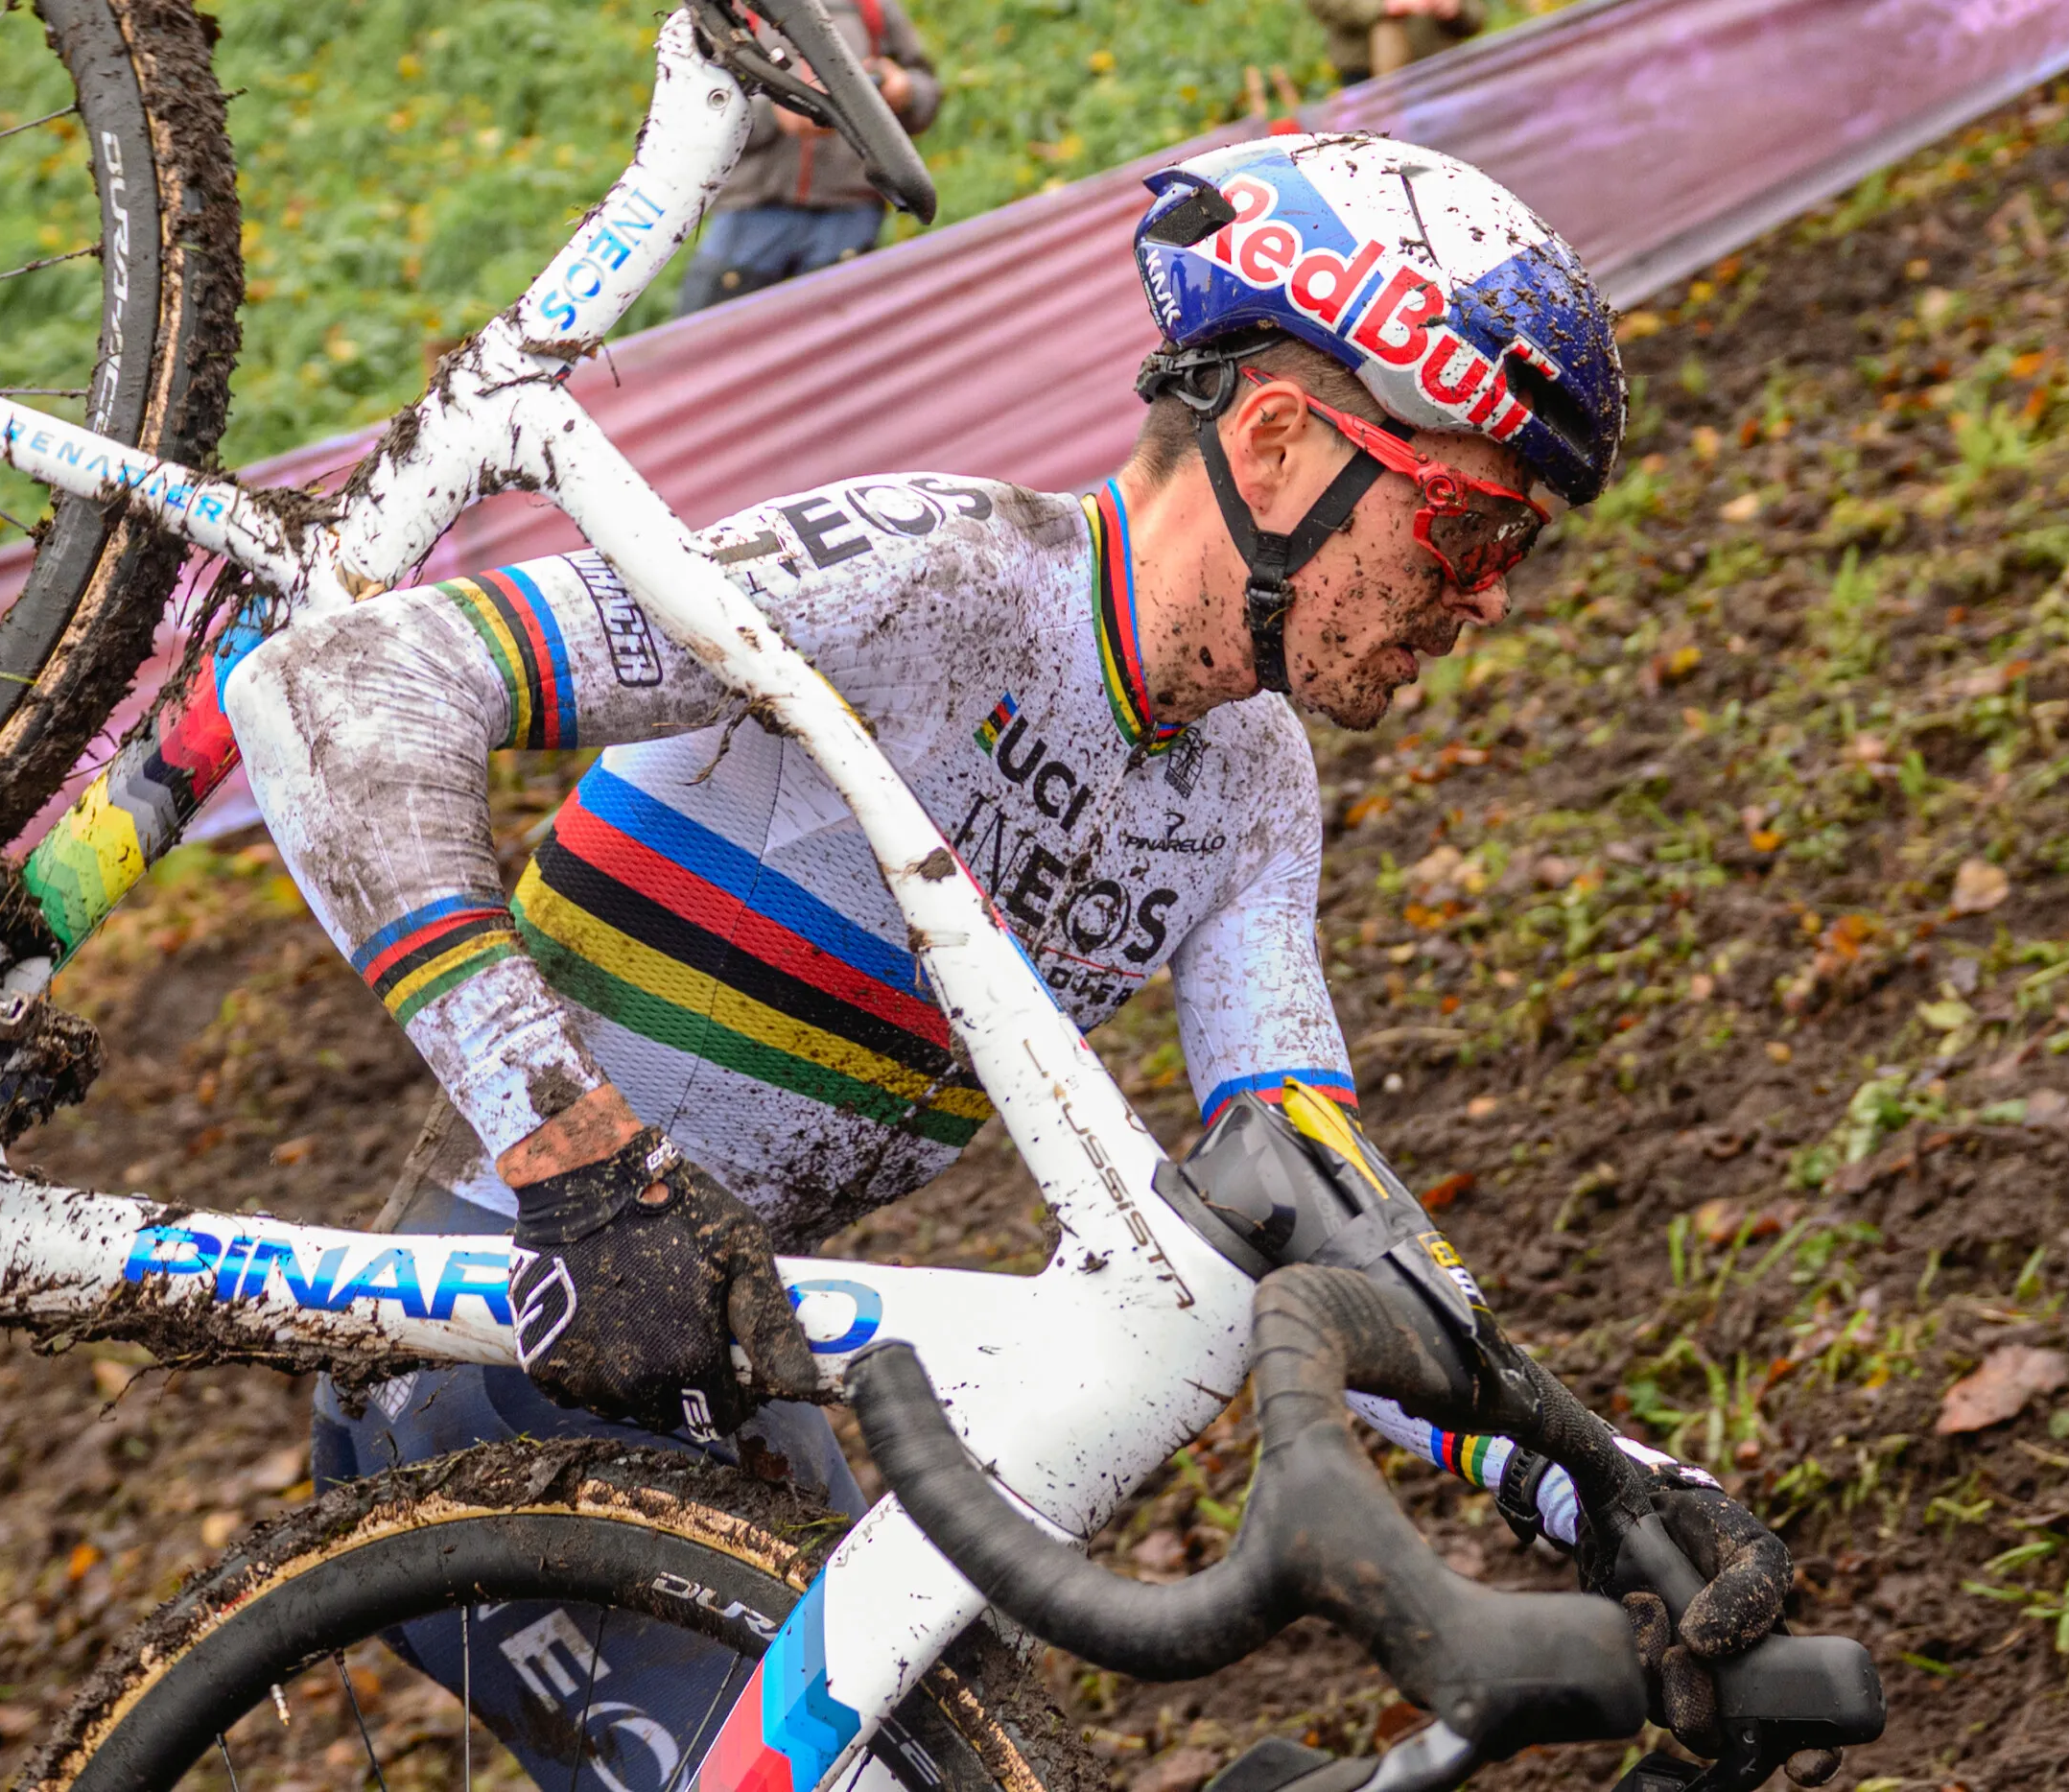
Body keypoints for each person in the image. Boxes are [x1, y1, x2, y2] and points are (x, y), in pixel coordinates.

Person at [229, 134, 1824, 1788]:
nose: (1482, 600)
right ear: (1274, 441)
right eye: (1467, 529)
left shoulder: (1250, 785)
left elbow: (1307, 1214)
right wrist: (572, 1161)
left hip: (722, 1365)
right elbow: (340, 691)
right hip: (499, 1335)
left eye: (1517, 555)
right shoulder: (941, 574)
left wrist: (1592, 1476)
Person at [675, 0, 940, 313]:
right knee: (712, 338)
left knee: (838, 352)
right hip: (752, 210)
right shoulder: (728, 8)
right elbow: (687, 111)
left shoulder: (872, 7)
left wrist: (905, 91)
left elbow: (927, 89)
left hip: (848, 214)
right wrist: (773, 115)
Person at [1305, 0, 1490, 85]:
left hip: (1441, 70)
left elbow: (1476, 14)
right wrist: (1383, 6)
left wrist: (1457, 7)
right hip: (1366, 75)